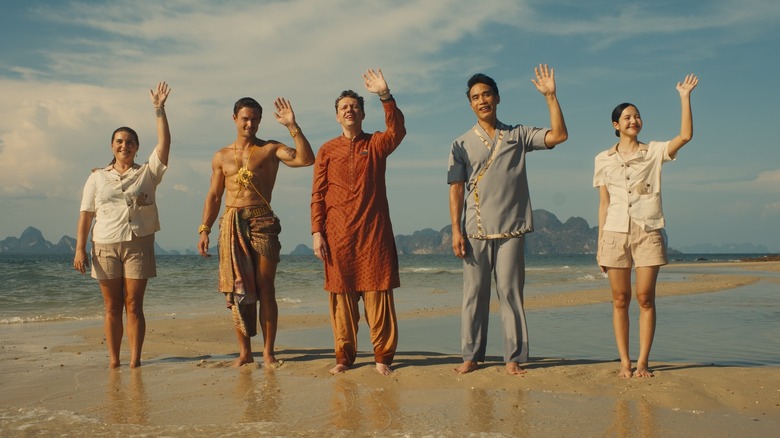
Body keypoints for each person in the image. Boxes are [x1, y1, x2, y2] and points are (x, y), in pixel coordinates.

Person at [447, 65, 569, 375]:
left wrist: (551, 97)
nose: (482, 100)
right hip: (475, 229)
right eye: (475, 97)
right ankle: (471, 356)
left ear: (497, 98)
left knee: (511, 294)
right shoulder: (460, 143)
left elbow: (559, 135)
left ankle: (513, 357)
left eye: (487, 94)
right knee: (473, 295)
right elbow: (456, 189)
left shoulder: (518, 134)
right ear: (470, 104)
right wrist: (455, 230)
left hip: (513, 228)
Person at [594, 74, 699, 378]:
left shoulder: (653, 152)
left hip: (648, 230)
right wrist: (601, 244)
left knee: (644, 298)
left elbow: (686, 136)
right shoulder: (602, 159)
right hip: (614, 232)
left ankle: (642, 362)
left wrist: (684, 97)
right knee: (619, 299)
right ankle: (624, 362)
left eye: (637, 115)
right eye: (627, 117)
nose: (634, 120)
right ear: (616, 125)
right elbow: (603, 203)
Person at [197, 96, 315, 368]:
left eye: (255, 119)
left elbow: (306, 159)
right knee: (237, 290)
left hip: (263, 222)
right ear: (235, 119)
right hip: (231, 224)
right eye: (245, 118)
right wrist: (204, 229)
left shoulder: (270, 149)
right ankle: (244, 353)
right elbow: (214, 196)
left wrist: (292, 126)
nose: (250, 124)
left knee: (265, 289)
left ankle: (268, 353)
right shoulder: (221, 156)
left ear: (260, 121)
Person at [311, 68, 406, 376]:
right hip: (337, 236)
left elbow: (397, 132)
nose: (349, 110)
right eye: (343, 108)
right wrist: (317, 233)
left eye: (354, 106)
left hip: (373, 235)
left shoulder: (376, 144)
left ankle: (382, 358)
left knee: (378, 296)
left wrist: (385, 95)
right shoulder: (327, 150)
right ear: (337, 117)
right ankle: (344, 356)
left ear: (363, 113)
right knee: (341, 299)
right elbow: (318, 195)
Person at [73, 82, 172, 369]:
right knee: (112, 306)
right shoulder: (97, 177)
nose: (124, 145)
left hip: (138, 243)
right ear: (112, 146)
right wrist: (80, 249)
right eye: (119, 141)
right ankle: (114, 361)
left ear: (137, 147)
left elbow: (165, 144)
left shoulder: (148, 173)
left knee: (134, 304)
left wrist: (159, 109)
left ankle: (135, 361)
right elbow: (86, 214)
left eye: (129, 142)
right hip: (104, 244)